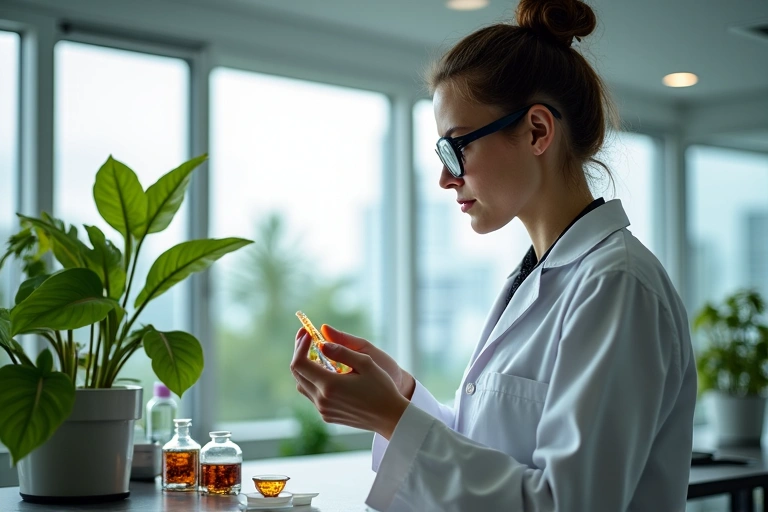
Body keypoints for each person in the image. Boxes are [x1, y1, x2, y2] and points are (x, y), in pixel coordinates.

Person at [290, 0, 697, 510]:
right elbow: (490, 452)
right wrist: (401, 394)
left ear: (536, 131)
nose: (445, 176)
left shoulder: (617, 285)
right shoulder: (536, 276)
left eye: (456, 147)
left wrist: (391, 419)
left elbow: (570, 503)